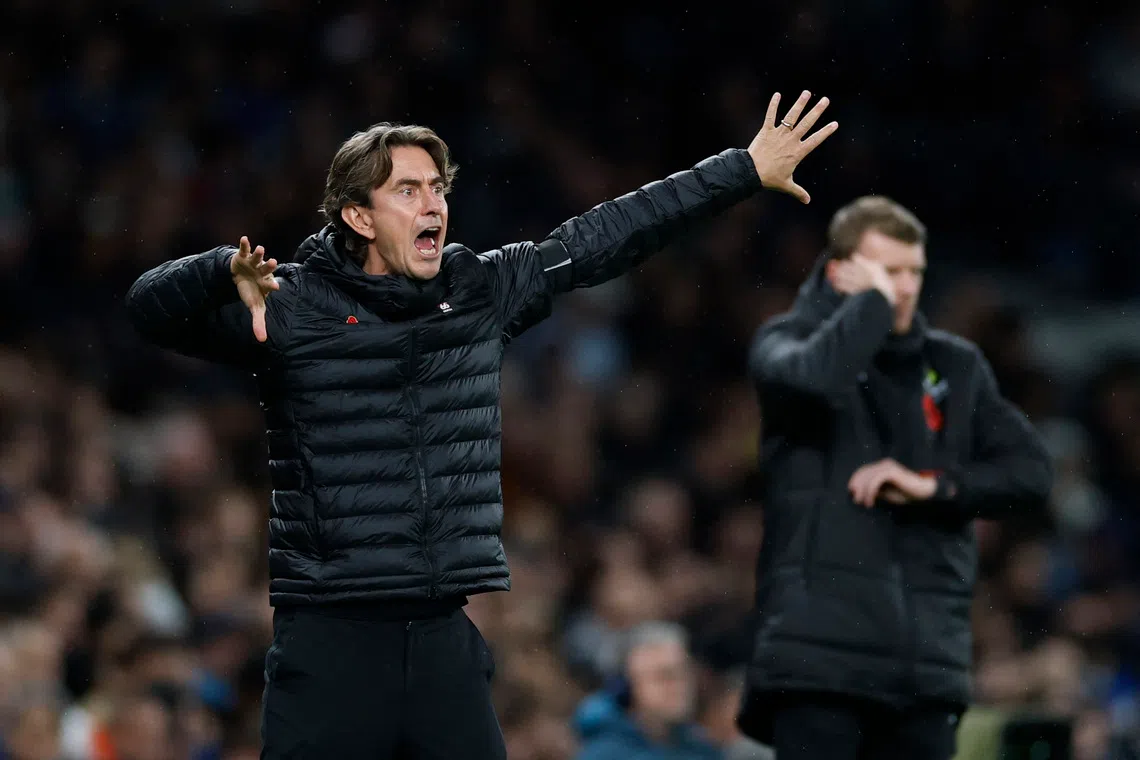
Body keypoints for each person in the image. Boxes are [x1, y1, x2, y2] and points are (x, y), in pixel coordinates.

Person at [124, 90, 838, 760]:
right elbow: (147, 310)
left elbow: (603, 238)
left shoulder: (476, 290)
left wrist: (741, 170)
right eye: (408, 190)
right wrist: (218, 271)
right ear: (359, 217)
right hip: (329, 640)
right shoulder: (287, 305)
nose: (433, 203)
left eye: (438, 188)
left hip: (442, 639)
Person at [737, 195, 1054, 760]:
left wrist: (933, 486)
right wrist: (871, 306)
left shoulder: (954, 366)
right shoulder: (783, 342)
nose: (905, 289)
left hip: (923, 672)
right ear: (840, 272)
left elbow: (1031, 473)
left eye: (913, 273)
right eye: (888, 273)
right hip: (817, 665)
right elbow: (818, 380)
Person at [572, 622, 721, 760]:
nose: (680, 685)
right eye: (664, 676)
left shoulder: (703, 749)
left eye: (684, 672)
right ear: (627, 687)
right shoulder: (602, 756)